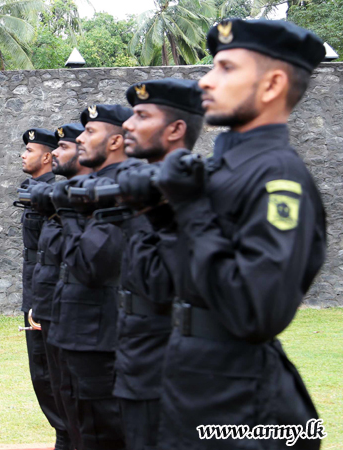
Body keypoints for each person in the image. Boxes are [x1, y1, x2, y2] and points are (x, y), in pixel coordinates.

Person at [155, 19, 327, 449]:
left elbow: (256, 313)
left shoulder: (278, 178)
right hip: (194, 379)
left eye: (226, 69)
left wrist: (191, 207)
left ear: (271, 86)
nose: (205, 81)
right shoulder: (220, 169)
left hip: (238, 402)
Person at [114, 78, 205, 450]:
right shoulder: (143, 188)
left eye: (141, 115)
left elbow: (161, 284)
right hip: (136, 363)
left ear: (175, 129)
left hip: (167, 371)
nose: (128, 126)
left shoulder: (194, 196)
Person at [48, 105, 133, 450]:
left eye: (90, 132)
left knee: (103, 434)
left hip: (100, 336)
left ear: (116, 141)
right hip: (77, 330)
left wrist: (67, 212)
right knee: (81, 426)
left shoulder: (118, 189)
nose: (81, 138)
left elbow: (90, 265)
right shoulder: (93, 186)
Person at [27, 123, 94, 450]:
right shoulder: (50, 195)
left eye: (30, 150)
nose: (23, 155)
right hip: (43, 296)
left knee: (59, 382)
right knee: (48, 379)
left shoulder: (71, 198)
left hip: (62, 304)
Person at [19, 128, 69, 449]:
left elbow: (53, 255)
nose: (23, 154)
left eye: (30, 149)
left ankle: (66, 436)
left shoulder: (56, 196)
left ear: (47, 157)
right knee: (40, 374)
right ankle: (64, 434)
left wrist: (41, 299)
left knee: (50, 373)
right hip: (33, 294)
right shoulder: (33, 191)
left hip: (43, 297)